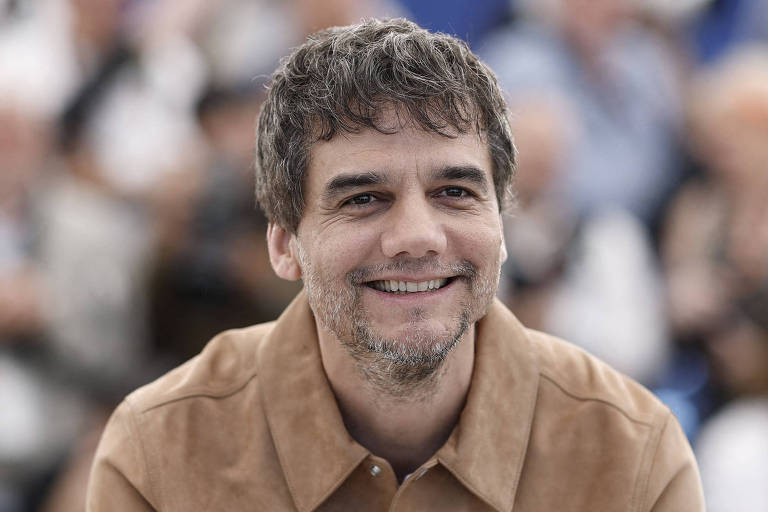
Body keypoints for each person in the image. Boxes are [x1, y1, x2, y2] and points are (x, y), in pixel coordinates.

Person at [86, 18, 704, 511]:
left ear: (502, 225)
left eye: (455, 192)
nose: (417, 238)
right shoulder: (159, 452)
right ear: (283, 243)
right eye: (363, 199)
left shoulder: (632, 454)